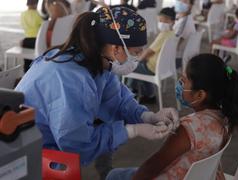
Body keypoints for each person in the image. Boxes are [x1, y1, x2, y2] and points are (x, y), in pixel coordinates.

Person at [15, 6, 179, 180]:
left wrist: (148, 116)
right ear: (117, 49)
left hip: (47, 145)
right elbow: (77, 145)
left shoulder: (97, 61)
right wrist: (132, 130)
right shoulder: (70, 79)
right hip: (25, 156)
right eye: (136, 53)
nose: (137, 59)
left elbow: (119, 100)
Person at [106, 54, 238, 180]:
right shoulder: (224, 117)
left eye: (184, 81)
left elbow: (153, 166)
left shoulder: (188, 129)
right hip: (199, 175)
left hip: (178, 175)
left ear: (200, 95)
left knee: (114, 175)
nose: (179, 83)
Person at [128, 7, 176, 103]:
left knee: (128, 66)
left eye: (162, 20)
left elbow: (148, 52)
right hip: (163, 67)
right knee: (139, 63)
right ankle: (150, 95)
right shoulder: (173, 34)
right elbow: (154, 51)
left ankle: (131, 93)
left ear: (170, 21)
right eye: (160, 20)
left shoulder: (163, 35)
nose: (161, 23)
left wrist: (137, 60)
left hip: (151, 67)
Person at [20, 0, 43, 72]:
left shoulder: (23, 14)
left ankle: (25, 74)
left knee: (26, 62)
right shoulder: (37, 14)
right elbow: (42, 26)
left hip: (26, 41)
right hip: (36, 41)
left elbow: (23, 26)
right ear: (35, 4)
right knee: (36, 60)